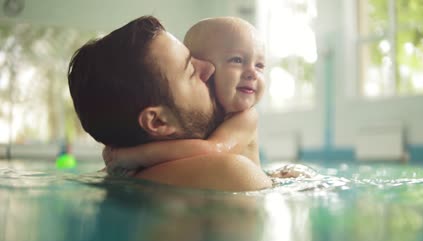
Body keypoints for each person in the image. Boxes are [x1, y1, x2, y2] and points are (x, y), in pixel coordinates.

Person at [68, 15, 272, 191]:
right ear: (157, 121)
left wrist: (133, 155)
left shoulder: (115, 175)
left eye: (260, 65)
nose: (210, 69)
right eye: (191, 70)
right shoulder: (231, 174)